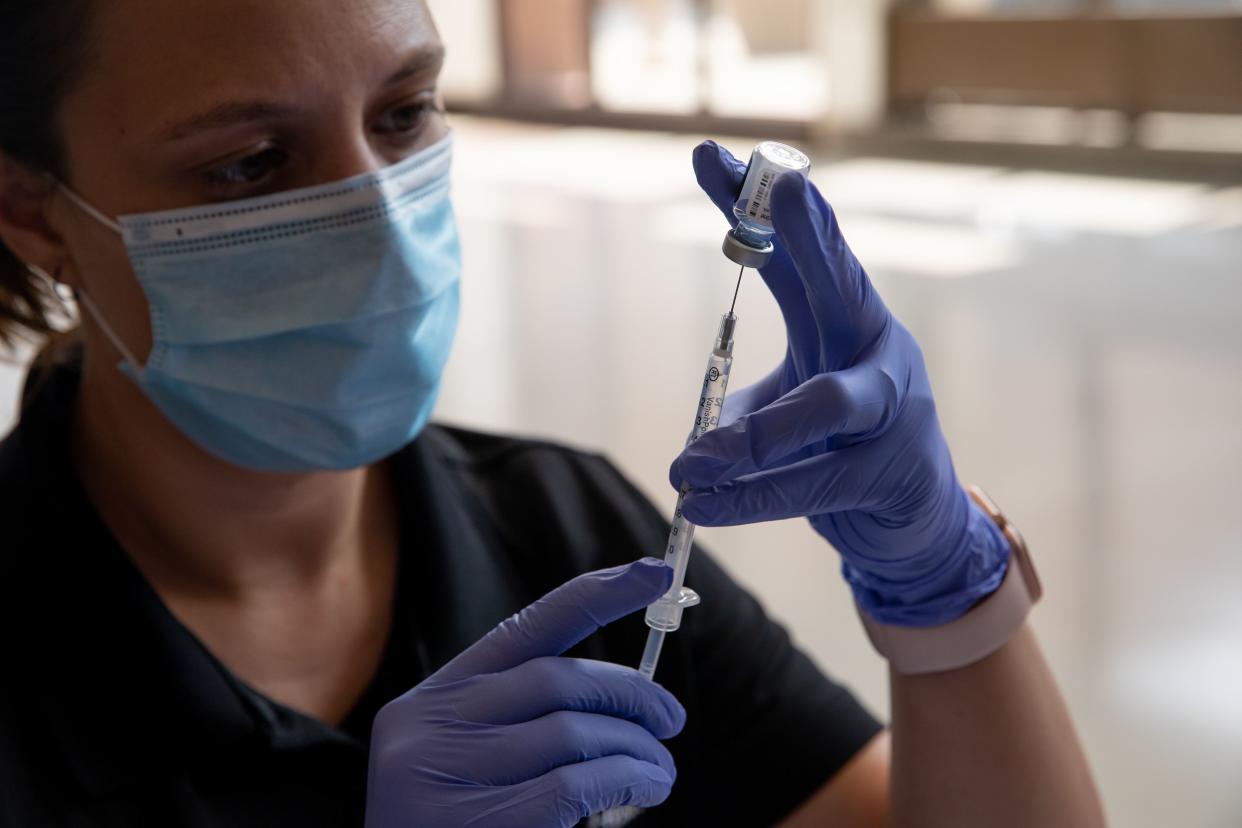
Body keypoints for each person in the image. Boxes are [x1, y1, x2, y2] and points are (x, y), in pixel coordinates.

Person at [0, 2, 1106, 826]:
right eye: (248, 165)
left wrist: (949, 597)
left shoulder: (567, 537)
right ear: (33, 214)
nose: (382, 227)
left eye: (403, 112)